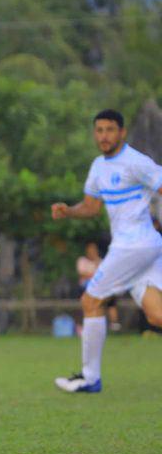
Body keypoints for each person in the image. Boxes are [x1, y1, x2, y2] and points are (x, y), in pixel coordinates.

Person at [51, 109, 162, 393]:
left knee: (91, 301)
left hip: (134, 246)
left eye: (110, 130)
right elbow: (91, 207)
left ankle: (90, 379)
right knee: (156, 316)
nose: (104, 136)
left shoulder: (136, 162)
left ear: (122, 132)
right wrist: (69, 211)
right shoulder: (99, 167)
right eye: (99, 130)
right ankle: (90, 378)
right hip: (141, 249)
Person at [76, 241, 120, 332]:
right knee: (90, 302)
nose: (92, 251)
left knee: (111, 299)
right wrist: (95, 275)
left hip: (100, 288)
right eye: (90, 249)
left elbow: (105, 276)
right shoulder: (82, 260)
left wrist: (95, 264)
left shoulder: (101, 261)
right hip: (85, 288)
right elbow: (83, 274)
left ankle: (114, 325)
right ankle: (87, 327)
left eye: (94, 249)